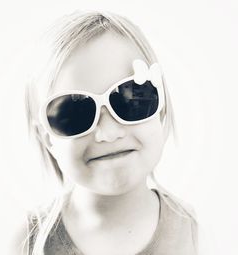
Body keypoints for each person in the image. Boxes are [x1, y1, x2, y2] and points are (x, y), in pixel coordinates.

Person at [24, 10, 198, 255]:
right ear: (47, 138)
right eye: (74, 113)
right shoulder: (25, 243)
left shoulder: (199, 233)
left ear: (161, 109)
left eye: (131, 99)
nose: (108, 133)